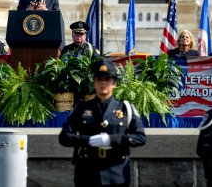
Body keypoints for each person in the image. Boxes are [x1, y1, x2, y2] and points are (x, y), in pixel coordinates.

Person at [59, 58, 146, 187]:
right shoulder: (82, 108)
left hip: (116, 173)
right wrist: (87, 140)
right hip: (87, 172)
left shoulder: (125, 108)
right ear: (94, 83)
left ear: (114, 84)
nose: (103, 83)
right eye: (99, 79)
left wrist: (112, 139)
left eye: (107, 79)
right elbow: (64, 137)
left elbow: (140, 138)